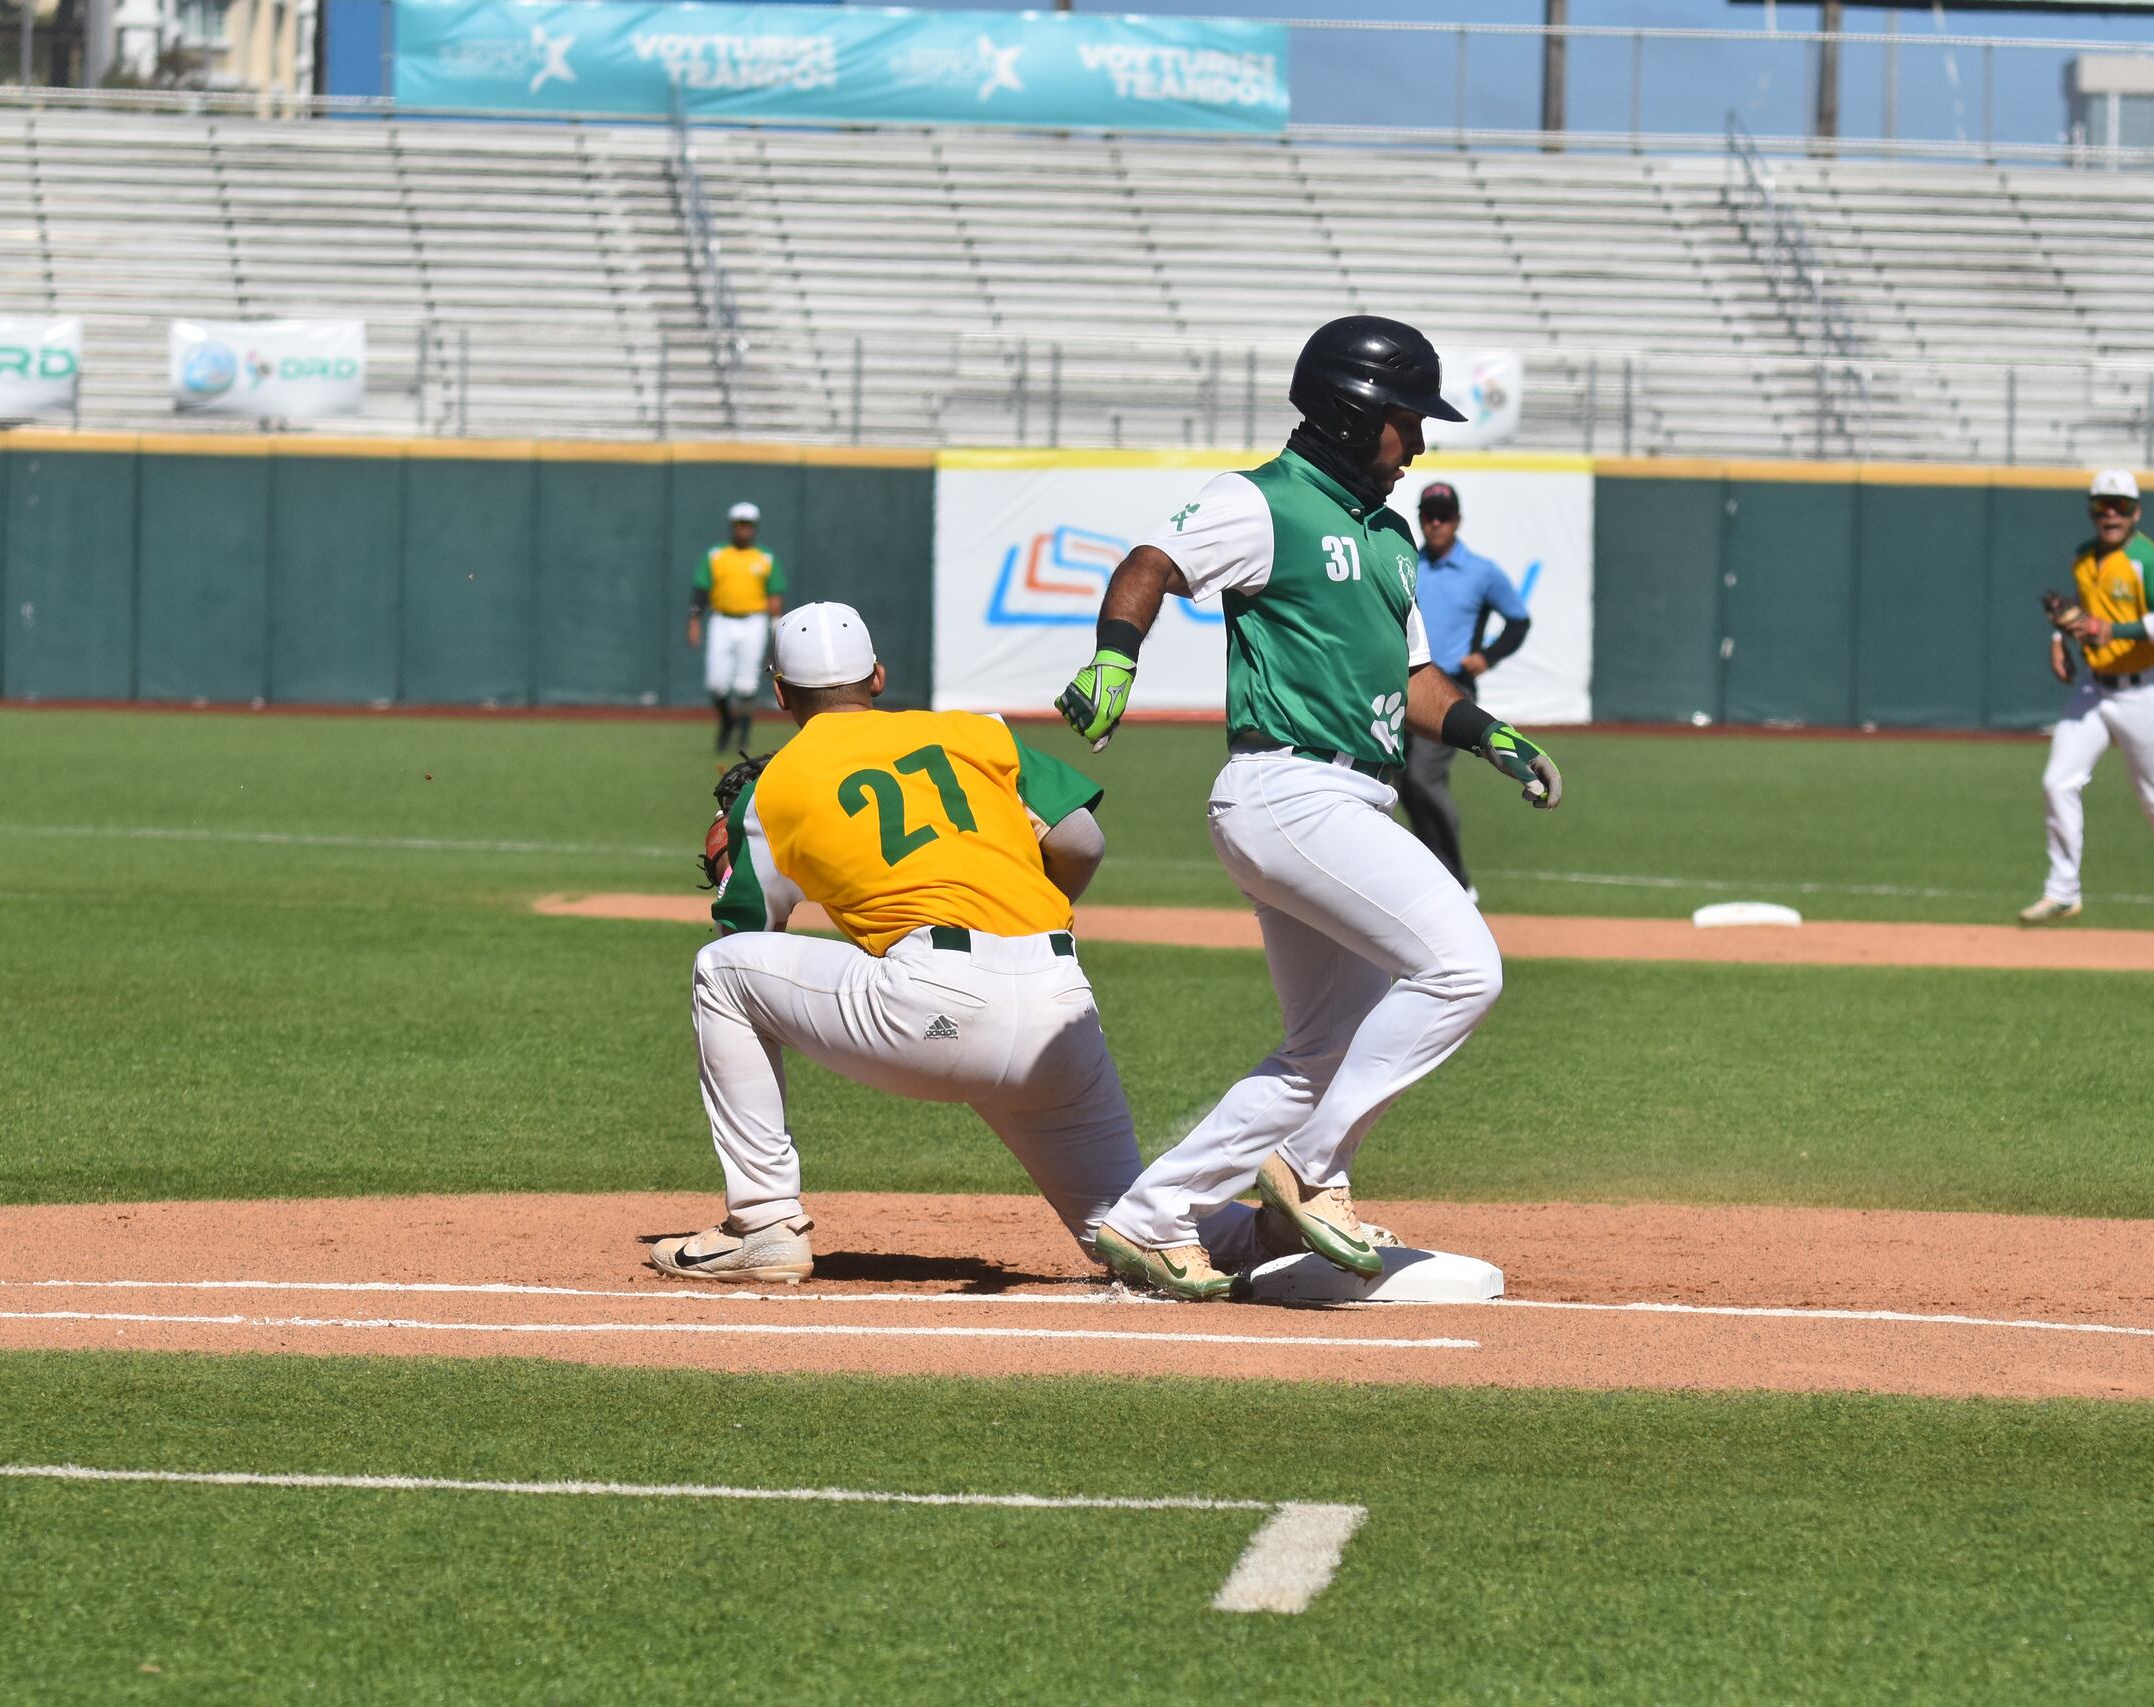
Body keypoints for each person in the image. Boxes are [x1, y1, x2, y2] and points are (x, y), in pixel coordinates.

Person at [1053, 315, 1565, 1302]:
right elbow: (1149, 564)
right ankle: (1310, 1169)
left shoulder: (1386, 539)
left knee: (1322, 1048)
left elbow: (1417, 683)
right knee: (1462, 965)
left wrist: (1494, 739)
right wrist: (1116, 657)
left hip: (1343, 799)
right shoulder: (1263, 503)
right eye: (1406, 421)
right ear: (1349, 413)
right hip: (1286, 787)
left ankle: (1153, 1216)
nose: (1416, 445)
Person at [660, 601, 1144, 1283]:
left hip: (933, 1005)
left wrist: (752, 855)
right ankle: (1287, 1245)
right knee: (1141, 1232)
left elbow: (744, 937)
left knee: (720, 971)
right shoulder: (979, 733)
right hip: (1059, 996)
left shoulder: (773, 790)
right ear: (878, 678)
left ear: (779, 692)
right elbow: (1081, 842)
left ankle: (764, 1222)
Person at [2021, 470, 2154, 935]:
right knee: (2057, 781)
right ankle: (2063, 891)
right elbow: (2081, 612)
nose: (2110, 513)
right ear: (2091, 510)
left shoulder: (2151, 560)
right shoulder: (2084, 558)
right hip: (2093, 686)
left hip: (2144, 691)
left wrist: (2115, 631)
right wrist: (2059, 638)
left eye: (2120, 505)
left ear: (2136, 512)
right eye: (2102, 504)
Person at [1392, 480, 1532, 897]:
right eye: (1428, 515)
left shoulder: (1481, 572)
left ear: (1457, 520)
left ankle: (1458, 881)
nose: (1435, 523)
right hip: (1402, 683)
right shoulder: (1405, 562)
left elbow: (1518, 620)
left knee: (1423, 778)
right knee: (1393, 785)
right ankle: (1438, 875)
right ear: (1420, 518)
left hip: (1451, 687)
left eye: (1444, 516)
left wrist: (1487, 657)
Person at [685, 501, 782, 755]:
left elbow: (774, 599)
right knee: (716, 684)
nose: (743, 529)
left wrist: (775, 632)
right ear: (732, 525)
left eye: (748, 524)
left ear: (755, 527)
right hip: (722, 620)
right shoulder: (716, 555)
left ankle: (744, 737)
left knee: (747, 685)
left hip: (754, 621)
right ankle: (728, 721)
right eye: (739, 523)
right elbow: (700, 590)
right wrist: (694, 621)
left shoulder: (765, 557)